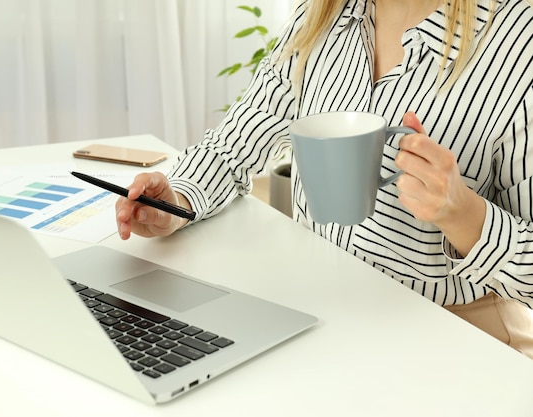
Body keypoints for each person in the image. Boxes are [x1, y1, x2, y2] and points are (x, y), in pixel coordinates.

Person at [116, 0, 533, 357]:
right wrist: (174, 202)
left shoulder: (519, 42)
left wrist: (466, 217)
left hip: (459, 340)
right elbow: (235, 144)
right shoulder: (322, 15)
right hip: (325, 319)